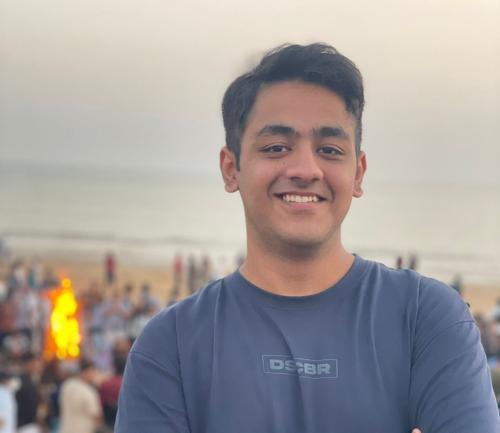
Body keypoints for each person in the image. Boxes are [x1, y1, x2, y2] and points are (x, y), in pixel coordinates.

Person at [116, 43, 499, 432]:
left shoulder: (427, 319)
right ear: (231, 168)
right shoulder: (172, 345)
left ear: (358, 173)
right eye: (276, 148)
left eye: (329, 150)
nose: (305, 169)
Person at [59, 359, 102, 433]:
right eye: (93, 371)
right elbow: (96, 416)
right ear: (85, 372)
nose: (95, 374)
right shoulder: (88, 391)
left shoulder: (67, 384)